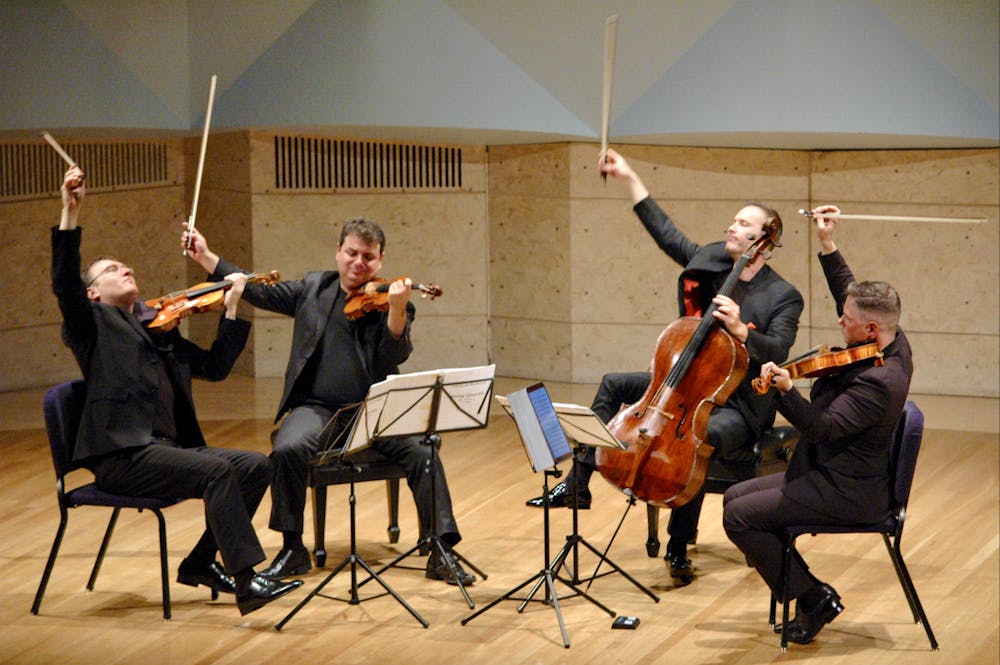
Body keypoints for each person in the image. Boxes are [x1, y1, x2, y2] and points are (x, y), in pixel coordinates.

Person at [526, 148, 804, 585]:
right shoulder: (714, 263)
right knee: (614, 384)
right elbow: (667, 234)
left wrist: (742, 331)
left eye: (743, 224)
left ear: (764, 243)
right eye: (733, 220)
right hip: (685, 383)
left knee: (697, 436)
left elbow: (781, 349)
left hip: (738, 405)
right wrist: (629, 178)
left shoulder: (783, 296)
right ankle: (578, 480)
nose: (731, 226)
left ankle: (678, 546)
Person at [50, 166, 302, 616]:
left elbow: (216, 368)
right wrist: (70, 213)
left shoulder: (158, 329)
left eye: (125, 265)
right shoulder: (91, 327)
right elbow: (65, 283)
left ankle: (201, 562)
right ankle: (247, 582)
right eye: (111, 270)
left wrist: (230, 310)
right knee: (218, 474)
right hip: (122, 457)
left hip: (165, 449)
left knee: (255, 466)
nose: (125, 268)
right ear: (93, 294)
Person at [183, 218, 474, 586]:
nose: (358, 263)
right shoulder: (312, 288)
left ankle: (440, 550)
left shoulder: (391, 302)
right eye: (351, 253)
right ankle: (292, 549)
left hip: (376, 413)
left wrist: (397, 310)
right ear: (338, 252)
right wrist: (208, 257)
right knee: (287, 449)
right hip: (317, 409)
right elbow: (258, 291)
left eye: (368, 257)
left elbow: (395, 355)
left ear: (380, 260)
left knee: (425, 451)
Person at [722, 204, 912, 644]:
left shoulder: (881, 382)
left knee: (741, 519)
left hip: (847, 490)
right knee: (734, 496)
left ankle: (813, 598)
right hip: (830, 470)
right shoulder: (893, 337)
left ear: (868, 329)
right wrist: (827, 243)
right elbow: (851, 292)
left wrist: (786, 390)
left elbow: (822, 428)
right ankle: (794, 576)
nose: (837, 321)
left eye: (845, 320)